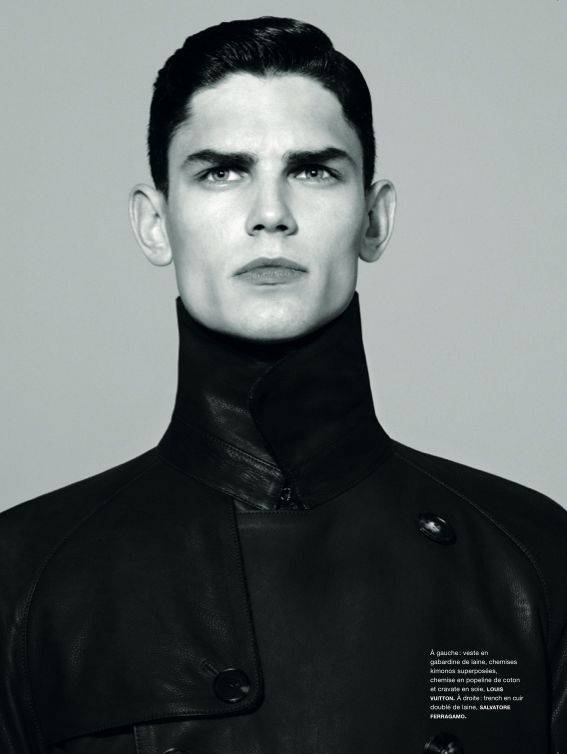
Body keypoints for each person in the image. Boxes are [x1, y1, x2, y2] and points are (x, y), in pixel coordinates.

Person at [1, 15, 566, 754]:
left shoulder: (531, 559)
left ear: (373, 218)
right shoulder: (25, 577)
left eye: (313, 171)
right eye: (221, 172)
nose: (270, 216)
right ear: (155, 223)